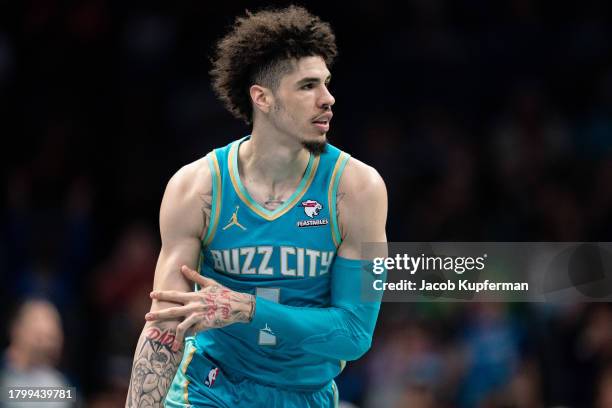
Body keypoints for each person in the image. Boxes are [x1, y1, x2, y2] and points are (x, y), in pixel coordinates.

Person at [126, 6, 387, 408]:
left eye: (327, 84)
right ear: (262, 97)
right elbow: (164, 327)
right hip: (208, 387)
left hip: (304, 393)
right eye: (307, 86)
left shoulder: (357, 189)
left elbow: (354, 335)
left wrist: (249, 309)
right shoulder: (196, 187)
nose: (328, 99)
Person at [1, 299, 72, 408]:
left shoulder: (57, 383)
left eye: (53, 338)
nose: (48, 347)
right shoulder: (4, 378)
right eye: (40, 337)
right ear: (16, 330)